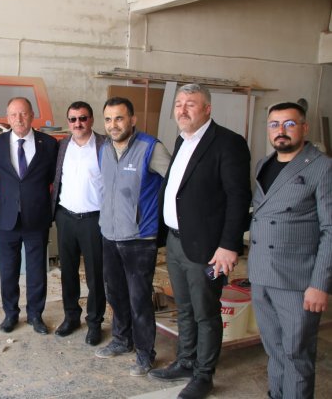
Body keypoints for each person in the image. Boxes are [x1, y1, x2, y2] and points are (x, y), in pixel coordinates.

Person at [148, 84, 251, 399]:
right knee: (185, 308)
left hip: (207, 248)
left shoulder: (228, 143)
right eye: (179, 103)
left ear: (207, 109)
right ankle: (186, 360)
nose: (182, 109)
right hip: (177, 242)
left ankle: (204, 375)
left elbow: (238, 198)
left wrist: (229, 245)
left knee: (205, 312)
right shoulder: (182, 140)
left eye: (190, 104)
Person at [248, 102, 331, 399]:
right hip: (262, 273)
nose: (280, 131)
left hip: (297, 280)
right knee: (274, 349)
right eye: (274, 124)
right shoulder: (264, 164)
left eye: (289, 124)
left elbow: (330, 230)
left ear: (304, 128)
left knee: (297, 353)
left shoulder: (322, 167)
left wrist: (320, 285)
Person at [95, 97, 171, 376]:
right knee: (115, 293)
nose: (113, 125)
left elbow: (177, 183)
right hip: (109, 234)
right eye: (108, 119)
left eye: (119, 118)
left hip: (139, 238)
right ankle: (121, 340)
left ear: (132, 120)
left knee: (139, 299)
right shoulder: (104, 148)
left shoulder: (151, 148)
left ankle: (144, 354)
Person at [0, 97, 58, 334]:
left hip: (36, 217)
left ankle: (35, 315)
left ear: (31, 115)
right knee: (8, 271)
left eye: (23, 113)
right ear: (7, 118)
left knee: (37, 270)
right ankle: (10, 314)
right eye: (13, 115)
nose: (18, 119)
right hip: (7, 218)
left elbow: (54, 178)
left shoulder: (48, 144)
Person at [51, 101, 106, 346]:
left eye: (83, 118)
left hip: (94, 220)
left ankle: (94, 323)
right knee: (68, 273)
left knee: (95, 275)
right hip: (66, 218)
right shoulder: (62, 146)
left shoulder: (104, 145)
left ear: (91, 120)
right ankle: (71, 317)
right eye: (73, 119)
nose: (78, 123)